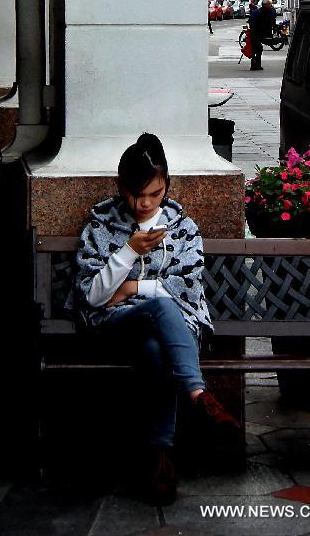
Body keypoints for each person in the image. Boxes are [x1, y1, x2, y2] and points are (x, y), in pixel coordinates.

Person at [66, 133, 240, 505]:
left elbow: (185, 292)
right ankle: (198, 395)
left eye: (154, 194)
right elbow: (93, 296)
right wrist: (128, 250)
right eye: (135, 193)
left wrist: (129, 289)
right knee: (158, 311)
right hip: (114, 327)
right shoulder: (101, 222)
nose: (144, 204)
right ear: (121, 186)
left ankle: (158, 462)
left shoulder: (183, 228)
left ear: (167, 187)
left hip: (171, 334)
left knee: (154, 349)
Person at [249, 0, 276, 71]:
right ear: (265, 5)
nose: (270, 6)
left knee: (257, 49)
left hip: (258, 33)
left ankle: (256, 65)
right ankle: (255, 65)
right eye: (269, 4)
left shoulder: (264, 11)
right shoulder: (259, 12)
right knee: (257, 49)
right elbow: (253, 23)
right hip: (256, 33)